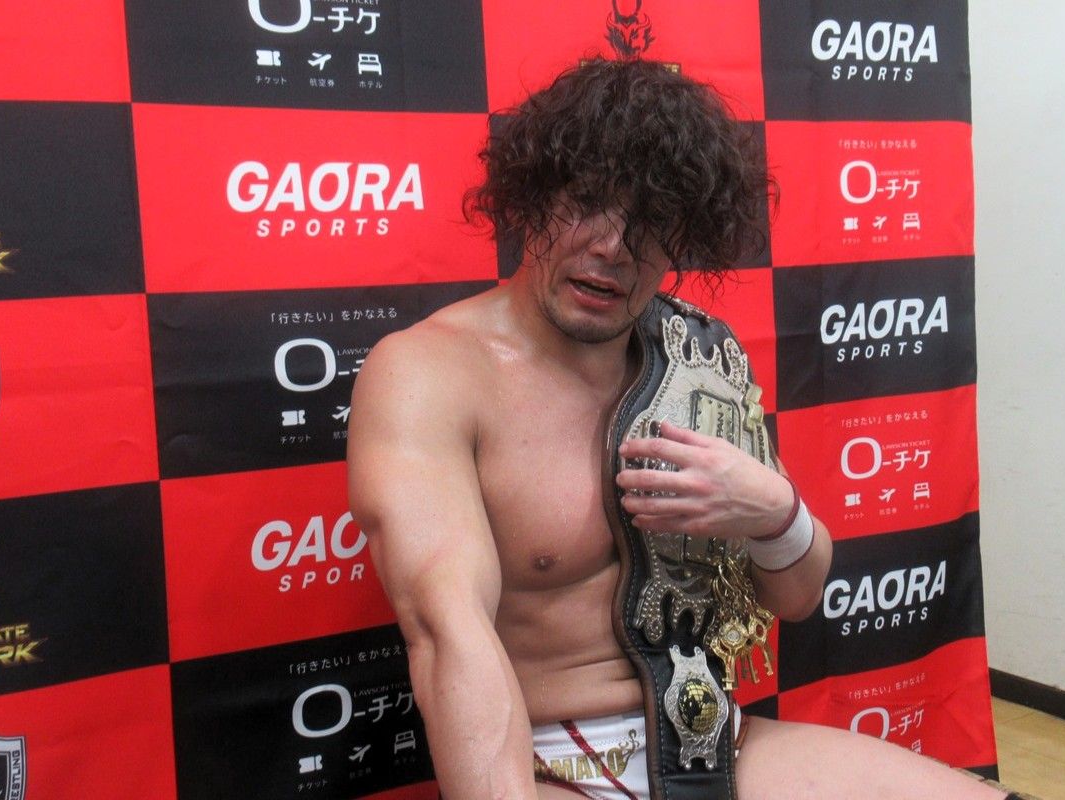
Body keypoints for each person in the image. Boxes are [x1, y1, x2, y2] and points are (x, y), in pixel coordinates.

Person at [348, 58, 1013, 800]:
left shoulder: (697, 359)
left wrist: (773, 512)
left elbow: (796, 597)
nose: (613, 247)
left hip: (712, 742)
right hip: (545, 763)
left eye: (652, 220)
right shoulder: (429, 372)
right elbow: (447, 633)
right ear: (534, 197)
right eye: (587, 202)